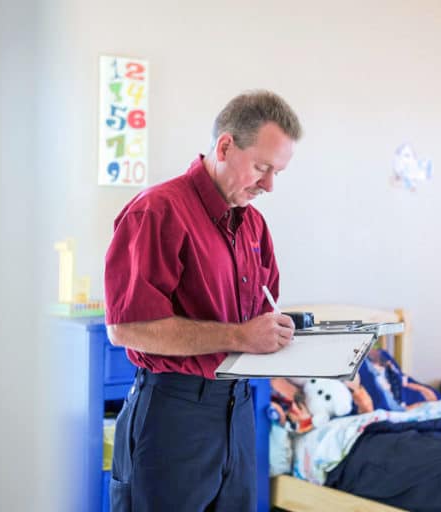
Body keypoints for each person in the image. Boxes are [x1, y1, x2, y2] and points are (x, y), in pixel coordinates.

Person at [104, 90, 302, 511]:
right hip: (173, 416)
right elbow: (126, 328)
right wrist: (240, 336)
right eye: (262, 167)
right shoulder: (157, 212)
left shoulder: (254, 227)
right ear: (225, 146)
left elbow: (259, 318)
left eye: (277, 172)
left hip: (239, 410)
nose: (269, 184)